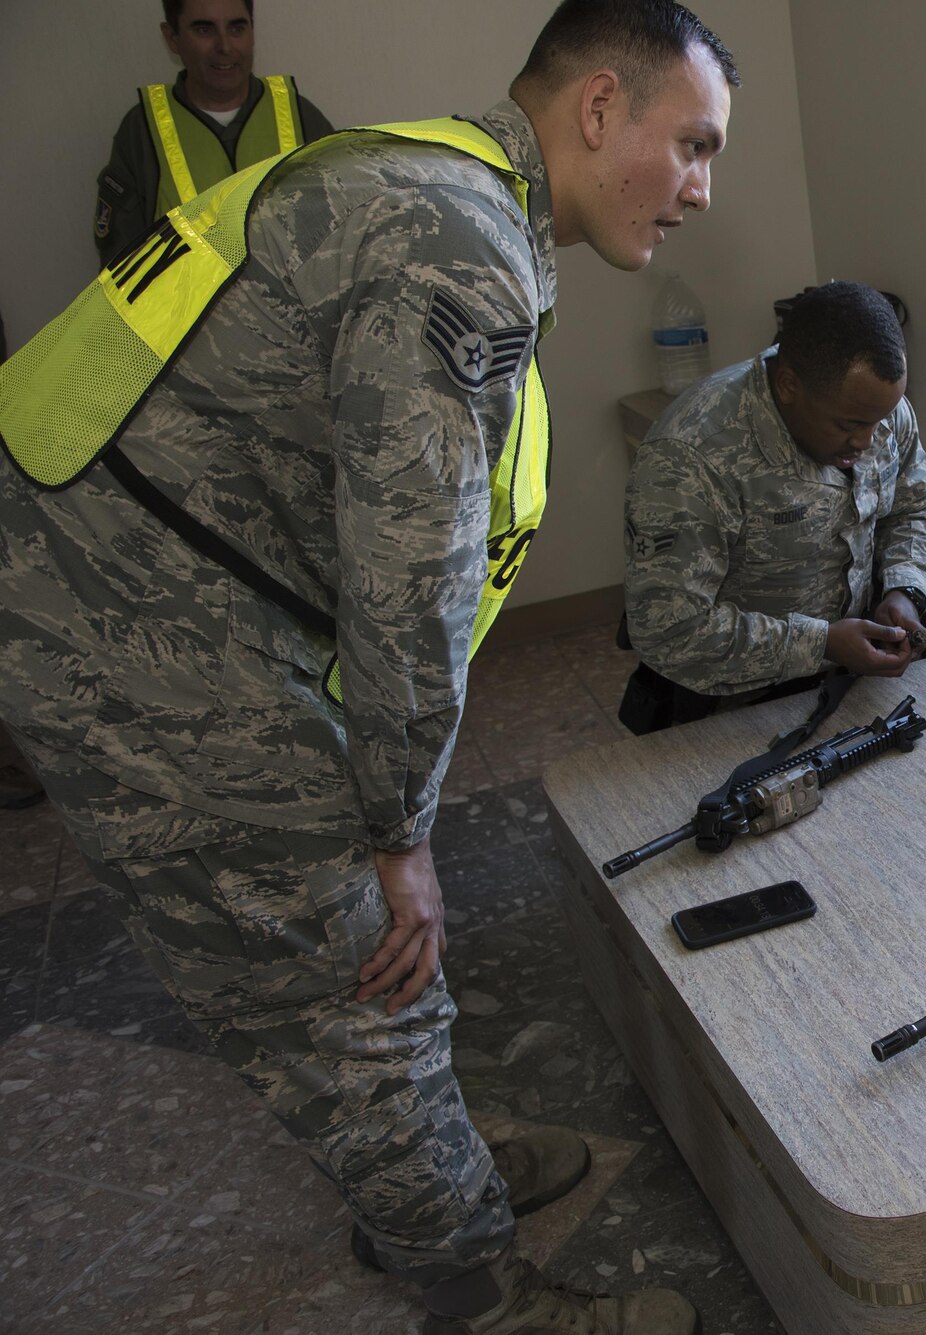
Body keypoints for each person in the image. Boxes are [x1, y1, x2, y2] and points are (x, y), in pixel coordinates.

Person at [0, 2, 736, 1331]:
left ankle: (426, 1169)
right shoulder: (458, 247)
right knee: (366, 962)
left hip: (128, 569)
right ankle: (473, 1281)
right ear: (595, 111)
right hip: (130, 619)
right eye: (691, 145)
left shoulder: (430, 174)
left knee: (360, 950)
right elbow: (412, 580)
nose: (700, 188)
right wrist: (396, 827)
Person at [620, 279, 926, 730]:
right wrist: (820, 643)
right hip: (755, 666)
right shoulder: (692, 453)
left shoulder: (879, 408)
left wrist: (906, 590)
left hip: (871, 614)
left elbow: (915, 509)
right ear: (789, 386)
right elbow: (671, 632)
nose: (866, 441)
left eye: (879, 421)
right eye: (849, 424)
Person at [95, 0, 338, 266]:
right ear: (172, 38)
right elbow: (121, 268)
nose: (224, 47)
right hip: (187, 309)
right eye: (204, 30)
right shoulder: (142, 133)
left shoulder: (301, 118)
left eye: (237, 28)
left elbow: (342, 240)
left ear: (252, 31)